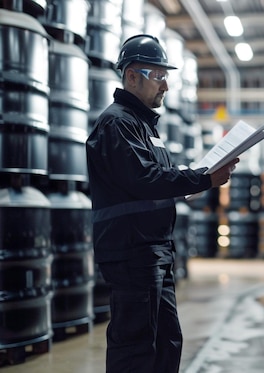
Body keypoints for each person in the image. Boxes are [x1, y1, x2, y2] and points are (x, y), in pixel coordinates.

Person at [85, 34, 238, 373]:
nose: (165, 86)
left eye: (166, 76)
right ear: (130, 76)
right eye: (158, 76)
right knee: (136, 347)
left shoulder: (143, 126)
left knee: (166, 342)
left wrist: (197, 184)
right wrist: (201, 177)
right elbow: (145, 180)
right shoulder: (117, 123)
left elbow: (154, 183)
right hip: (131, 251)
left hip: (154, 250)